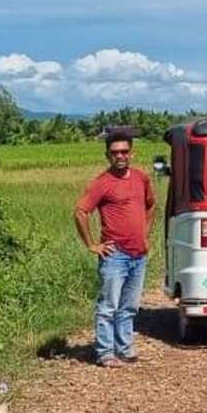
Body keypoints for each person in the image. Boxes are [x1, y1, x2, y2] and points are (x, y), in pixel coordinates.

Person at [73, 131, 155, 367]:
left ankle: (125, 347)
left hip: (138, 254)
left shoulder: (141, 178)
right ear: (107, 155)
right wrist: (91, 244)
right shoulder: (103, 183)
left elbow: (151, 206)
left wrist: (145, 235)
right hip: (114, 254)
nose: (120, 156)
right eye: (114, 152)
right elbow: (80, 211)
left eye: (124, 151)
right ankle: (105, 352)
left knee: (129, 306)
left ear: (132, 152)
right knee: (108, 306)